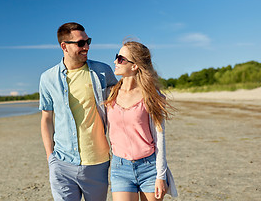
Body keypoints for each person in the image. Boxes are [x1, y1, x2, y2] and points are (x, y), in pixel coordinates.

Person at [39, 22, 118, 200]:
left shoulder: (102, 71)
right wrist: (50, 157)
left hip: (97, 162)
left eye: (88, 41)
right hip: (61, 162)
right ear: (64, 46)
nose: (87, 47)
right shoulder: (47, 78)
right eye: (81, 43)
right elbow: (46, 119)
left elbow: (121, 102)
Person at [104, 41, 178, 201]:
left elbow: (159, 138)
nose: (115, 62)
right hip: (120, 168)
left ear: (135, 66)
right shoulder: (109, 95)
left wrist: (161, 175)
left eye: (121, 59)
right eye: (116, 57)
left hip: (149, 168)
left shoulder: (151, 96)